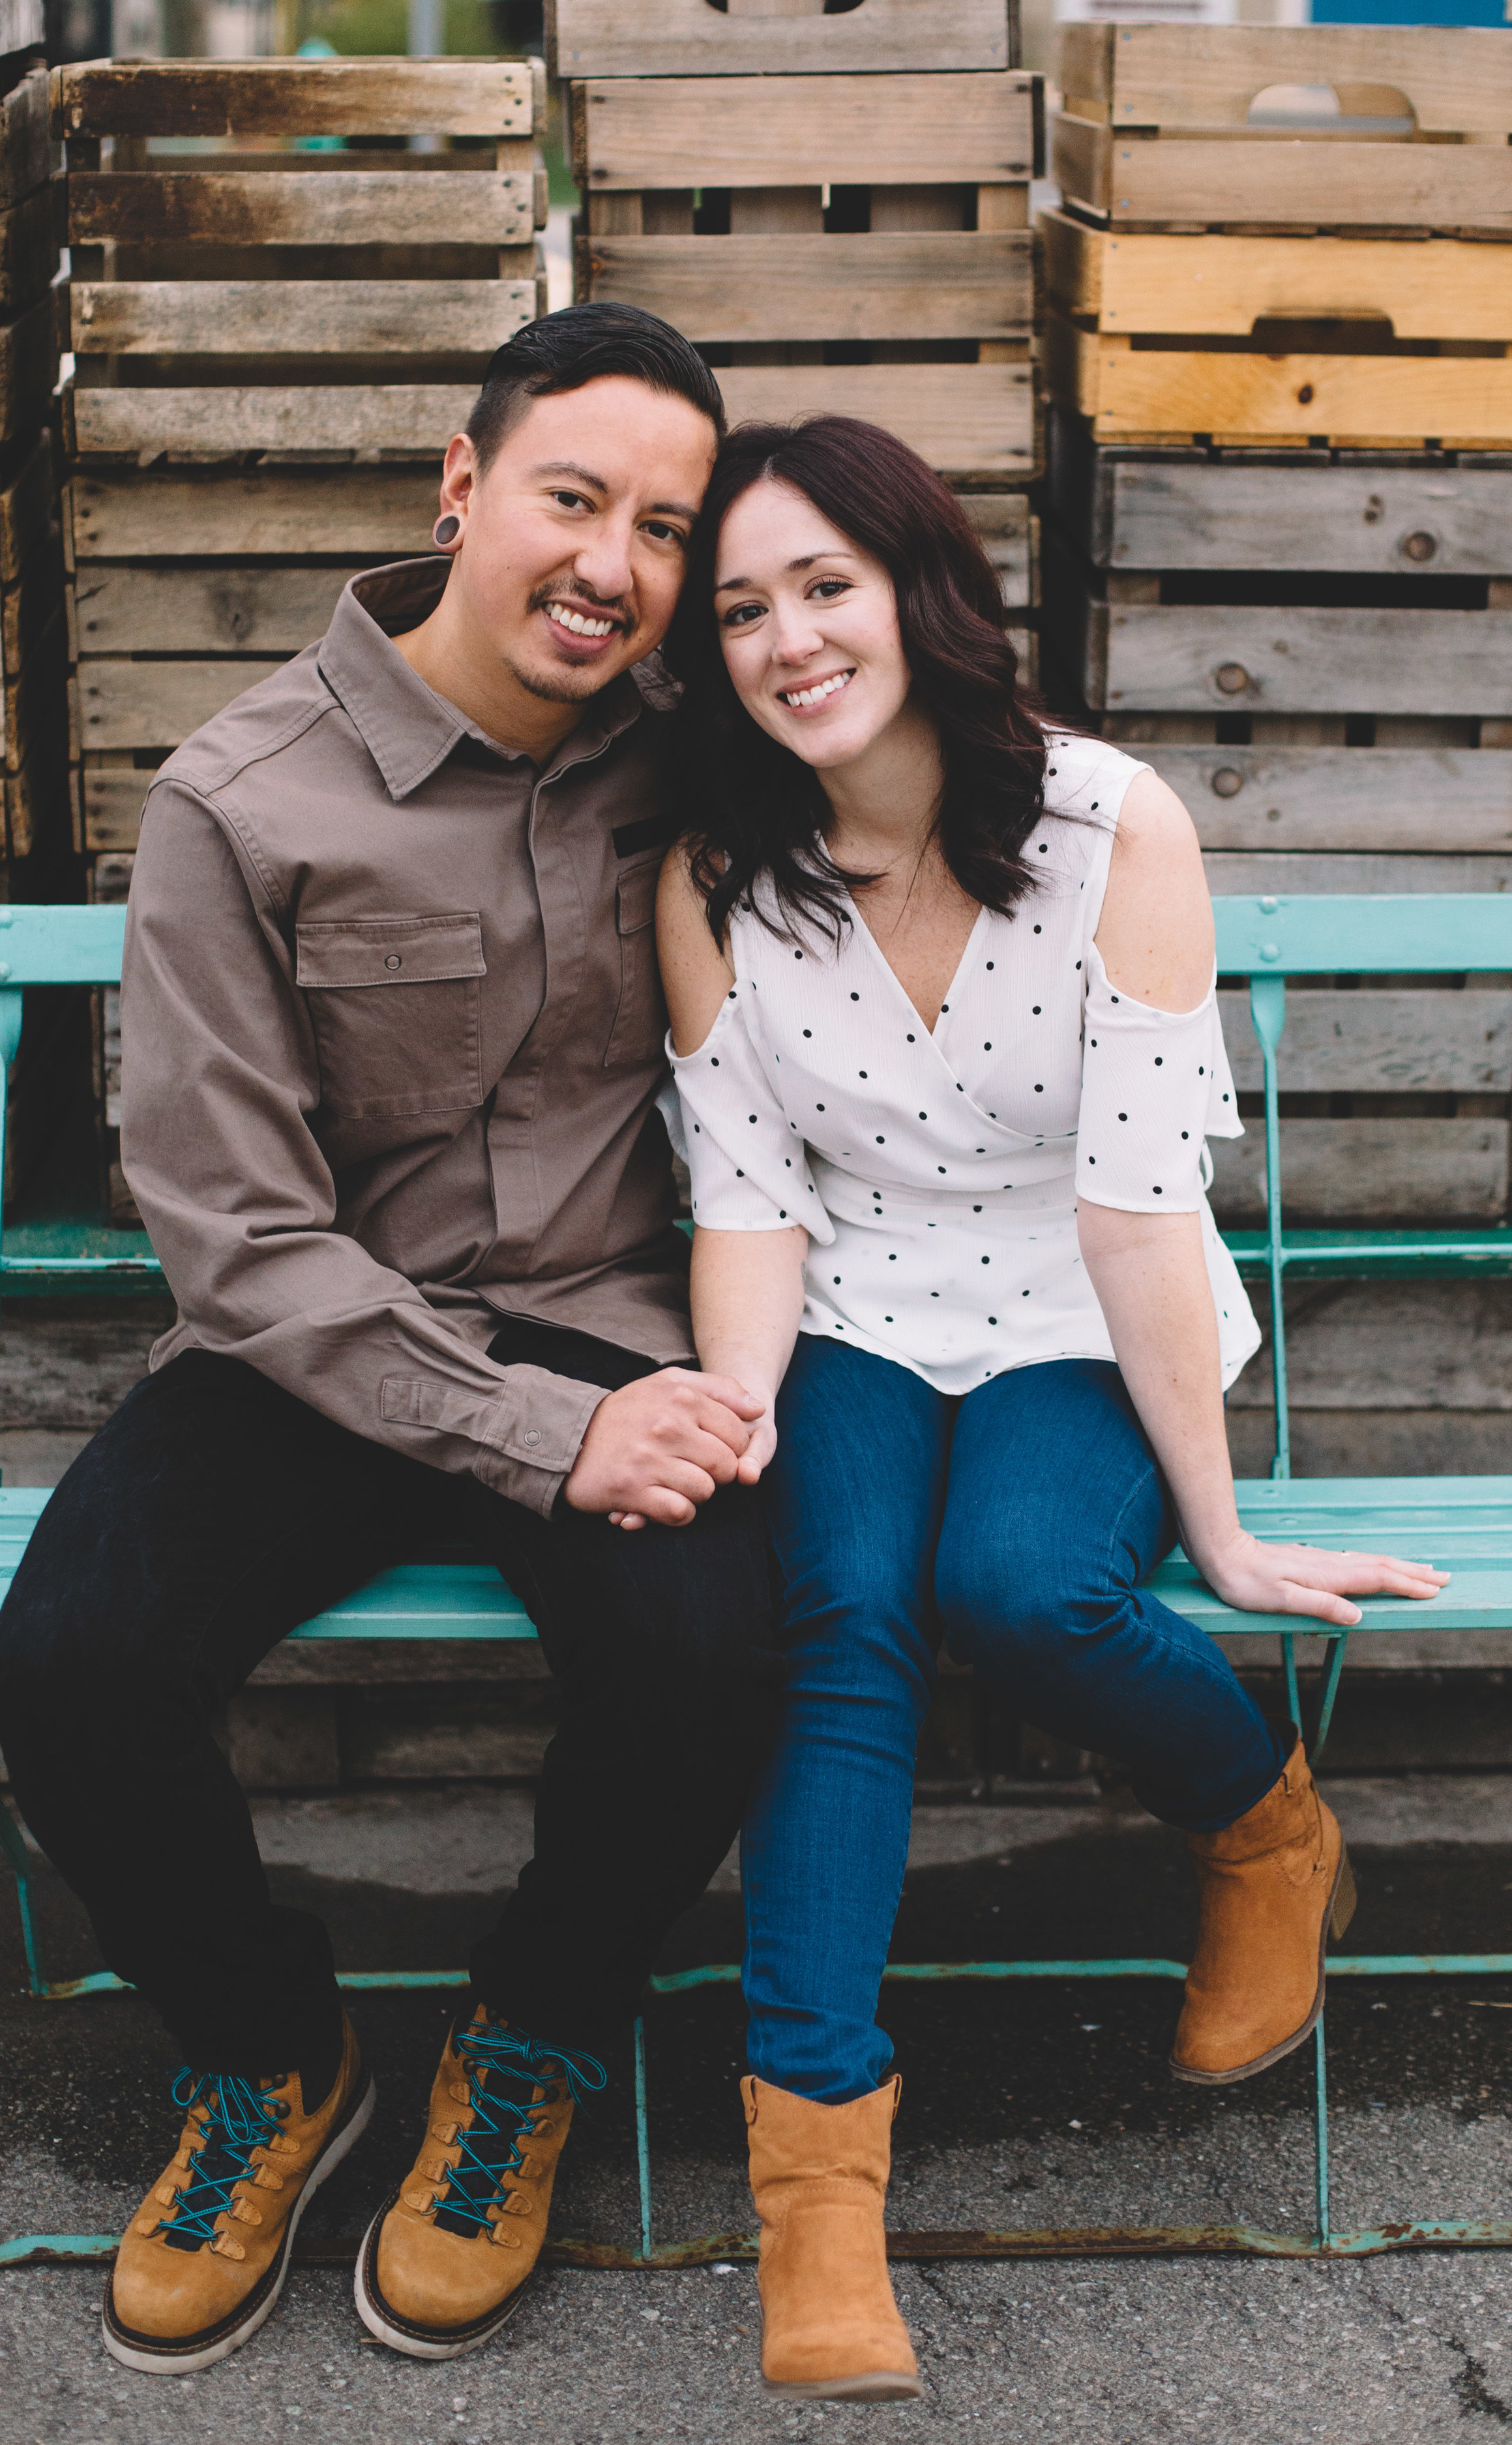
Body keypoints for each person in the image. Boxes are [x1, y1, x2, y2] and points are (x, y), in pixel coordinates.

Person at [0, 304, 784, 2378]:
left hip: (611, 1316)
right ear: (460, 484)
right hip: (317, 1342)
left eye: (666, 528)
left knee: (712, 1645)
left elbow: (933, 752)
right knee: (69, 1671)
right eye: (572, 498)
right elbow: (241, 1240)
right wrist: (537, 1442)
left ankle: (525, 2044)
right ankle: (267, 2057)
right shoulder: (241, 805)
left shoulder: (700, 746)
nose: (613, 564)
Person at [655, 415, 1449, 2404]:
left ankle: (1263, 1830)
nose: (786, 638)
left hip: (1085, 1300)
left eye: (822, 584)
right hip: (847, 1306)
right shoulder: (713, 870)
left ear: (917, 587)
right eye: (739, 607)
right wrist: (739, 1418)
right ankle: (817, 2197)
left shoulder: (1108, 825)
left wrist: (1223, 1525)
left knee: (1022, 1587)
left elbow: (1134, 1206)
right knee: (833, 1615)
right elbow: (748, 1199)